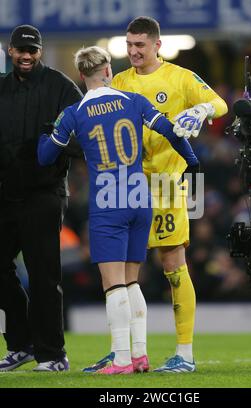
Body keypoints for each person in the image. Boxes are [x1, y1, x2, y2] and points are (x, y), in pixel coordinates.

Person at [37, 46, 200, 374]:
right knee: (132, 282)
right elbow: (172, 132)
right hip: (141, 197)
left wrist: (48, 133)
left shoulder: (74, 113)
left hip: (108, 201)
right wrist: (193, 162)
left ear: (81, 75)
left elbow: (44, 157)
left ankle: (123, 360)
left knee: (113, 285)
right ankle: (139, 356)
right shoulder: (134, 101)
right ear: (108, 71)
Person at [110, 16, 228, 372]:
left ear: (157, 45)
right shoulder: (120, 81)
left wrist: (201, 108)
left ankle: (185, 353)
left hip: (167, 183)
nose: (133, 51)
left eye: (140, 45)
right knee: (124, 270)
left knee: (173, 266)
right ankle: (124, 352)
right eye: (129, 45)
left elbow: (220, 103)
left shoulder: (179, 77)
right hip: (130, 183)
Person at [0, 25, 83, 372]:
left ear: (41, 51)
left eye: (32, 50)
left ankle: (52, 353)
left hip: (44, 194)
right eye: (21, 50)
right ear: (9, 50)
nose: (27, 56)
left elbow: (84, 138)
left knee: (44, 275)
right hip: (4, 195)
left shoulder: (61, 87)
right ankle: (22, 343)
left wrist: (57, 146)